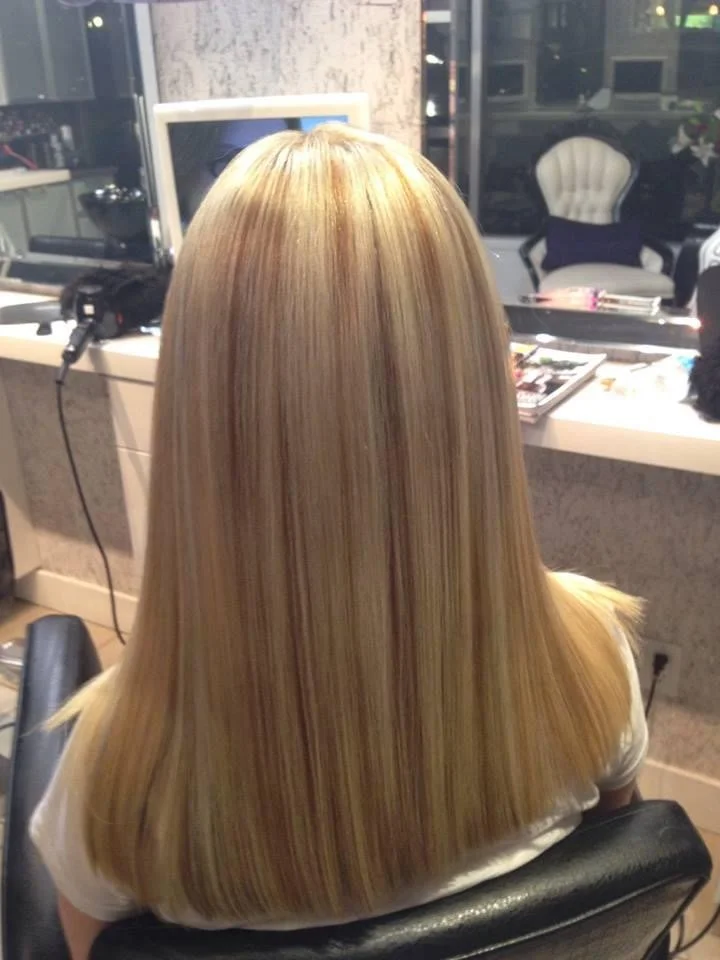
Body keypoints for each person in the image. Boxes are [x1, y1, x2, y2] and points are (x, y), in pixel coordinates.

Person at [31, 125, 647, 960]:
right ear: (475, 384)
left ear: (198, 408)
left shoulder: (118, 781)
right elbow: (609, 887)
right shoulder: (594, 663)